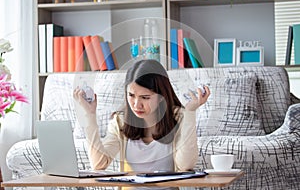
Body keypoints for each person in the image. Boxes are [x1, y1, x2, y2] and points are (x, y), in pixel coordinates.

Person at [73, 59, 210, 176]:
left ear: (162, 97)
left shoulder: (179, 117)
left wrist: (190, 113)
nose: (136, 105)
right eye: (131, 95)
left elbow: (185, 165)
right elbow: (98, 164)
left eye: (145, 98)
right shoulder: (120, 122)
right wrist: (90, 115)